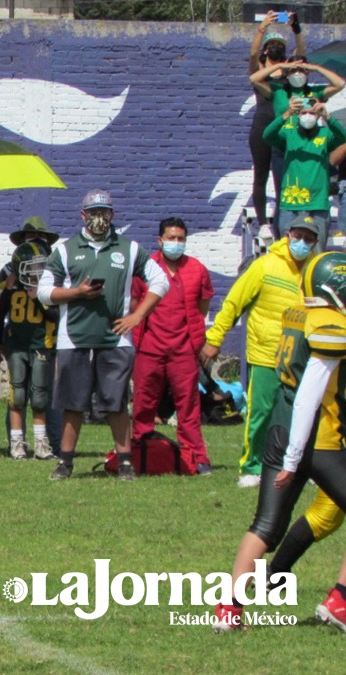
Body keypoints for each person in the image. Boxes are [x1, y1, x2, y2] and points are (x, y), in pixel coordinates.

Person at [213, 251, 346, 632]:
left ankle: (230, 608)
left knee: (266, 526)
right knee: (269, 524)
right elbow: (310, 393)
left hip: (279, 428)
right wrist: (293, 459)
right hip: (315, 439)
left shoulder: (296, 313)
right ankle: (340, 602)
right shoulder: (329, 324)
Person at [36, 189, 169, 481]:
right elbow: (44, 292)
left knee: (116, 402)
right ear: (82, 216)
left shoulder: (129, 248)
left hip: (115, 339)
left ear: (112, 215)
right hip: (74, 338)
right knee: (73, 404)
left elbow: (160, 281)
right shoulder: (65, 249)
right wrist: (77, 293)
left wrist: (137, 316)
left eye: (104, 212)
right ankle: (65, 462)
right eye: (93, 213)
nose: (99, 218)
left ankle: (125, 462)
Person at [203, 223, 319, 487]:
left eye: (308, 239)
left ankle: (302, 466)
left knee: (304, 413)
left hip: (302, 356)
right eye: (298, 236)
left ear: (314, 243)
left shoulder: (315, 270)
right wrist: (215, 337)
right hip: (266, 352)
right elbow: (234, 301)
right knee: (261, 412)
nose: (302, 242)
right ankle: (252, 466)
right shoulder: (265, 266)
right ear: (289, 236)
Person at [130, 218, 214, 475]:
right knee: (144, 404)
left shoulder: (197, 269)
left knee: (189, 407)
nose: (176, 243)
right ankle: (140, 453)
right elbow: (134, 305)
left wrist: (197, 341)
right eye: (171, 238)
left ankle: (196, 458)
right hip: (149, 347)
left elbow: (202, 307)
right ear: (160, 241)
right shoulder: (146, 267)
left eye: (180, 239)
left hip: (184, 350)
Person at [0, 240, 57, 460]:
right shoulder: (11, 286)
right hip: (17, 346)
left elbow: (54, 315)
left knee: (39, 396)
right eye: (33, 267)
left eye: (41, 267)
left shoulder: (47, 287)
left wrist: (38, 297)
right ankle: (17, 443)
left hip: (41, 345)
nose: (38, 272)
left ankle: (41, 443)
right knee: (17, 394)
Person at [262, 88, 346, 247]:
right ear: (298, 115)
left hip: (318, 204)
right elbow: (267, 135)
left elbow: (343, 136)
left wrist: (327, 116)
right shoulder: (289, 134)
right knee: (287, 252)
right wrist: (287, 113)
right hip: (291, 204)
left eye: (312, 113)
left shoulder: (325, 134)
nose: (308, 116)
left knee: (316, 252)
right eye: (304, 113)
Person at [246, 12, 306, 225]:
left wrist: (295, 28)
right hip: (263, 126)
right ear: (266, 49)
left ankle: (286, 222)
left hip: (285, 127)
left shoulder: (290, 69)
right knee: (261, 175)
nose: (276, 48)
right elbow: (253, 55)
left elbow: (301, 51)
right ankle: (263, 224)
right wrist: (262, 29)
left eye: (280, 45)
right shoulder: (261, 70)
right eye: (272, 45)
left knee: (284, 177)